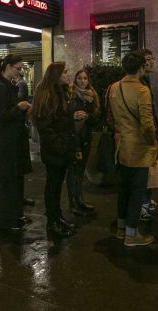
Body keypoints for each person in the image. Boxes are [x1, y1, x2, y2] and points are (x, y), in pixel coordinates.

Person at [107, 51, 158, 247]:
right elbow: (147, 123)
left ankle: (121, 228)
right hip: (139, 148)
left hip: (121, 147)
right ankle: (131, 234)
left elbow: (111, 118)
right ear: (140, 68)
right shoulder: (142, 90)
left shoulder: (113, 88)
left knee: (124, 189)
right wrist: (152, 141)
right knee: (137, 191)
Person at [32, 62, 81, 237]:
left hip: (62, 148)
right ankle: (52, 222)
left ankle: (57, 217)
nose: (68, 75)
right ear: (56, 75)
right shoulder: (47, 96)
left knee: (57, 186)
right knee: (52, 186)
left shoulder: (61, 93)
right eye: (65, 72)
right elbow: (46, 128)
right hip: (55, 150)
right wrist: (60, 145)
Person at [0, 54, 32, 230]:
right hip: (8, 140)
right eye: (18, 68)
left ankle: (16, 214)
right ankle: (7, 219)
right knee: (8, 180)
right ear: (7, 67)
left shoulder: (9, 85)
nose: (21, 72)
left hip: (15, 138)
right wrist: (19, 108)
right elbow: (2, 116)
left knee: (16, 178)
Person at [67, 69, 99, 216]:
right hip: (74, 138)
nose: (82, 81)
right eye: (79, 78)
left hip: (86, 138)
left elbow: (96, 120)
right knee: (73, 172)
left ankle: (80, 199)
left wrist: (87, 116)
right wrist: (75, 116)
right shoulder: (72, 96)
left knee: (80, 172)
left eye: (85, 78)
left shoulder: (92, 96)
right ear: (75, 80)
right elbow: (68, 117)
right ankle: (73, 202)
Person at [139, 49, 158, 220]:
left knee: (148, 169)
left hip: (149, 131)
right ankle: (142, 204)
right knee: (143, 170)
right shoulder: (139, 83)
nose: (152, 61)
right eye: (148, 59)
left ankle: (146, 200)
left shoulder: (146, 80)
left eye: (152, 58)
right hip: (142, 136)